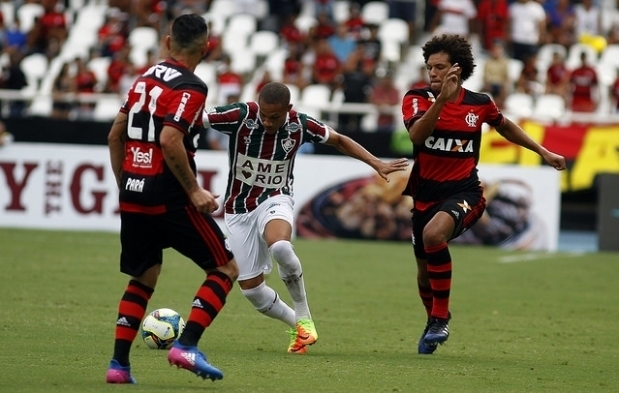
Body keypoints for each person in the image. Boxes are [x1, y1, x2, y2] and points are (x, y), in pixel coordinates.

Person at [205, 81, 409, 354]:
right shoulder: (241, 115)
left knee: (280, 246)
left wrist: (375, 162)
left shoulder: (299, 124)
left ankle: (303, 313)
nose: (266, 121)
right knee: (252, 291)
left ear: (288, 110)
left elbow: (338, 139)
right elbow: (198, 118)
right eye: (264, 115)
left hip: (275, 198)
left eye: (274, 117)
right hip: (238, 209)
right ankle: (300, 327)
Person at [400, 34, 566, 355]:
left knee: (435, 234)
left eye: (439, 67)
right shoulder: (417, 98)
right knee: (423, 273)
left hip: (466, 192)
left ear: (456, 70)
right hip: (424, 197)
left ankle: (439, 320)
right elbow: (418, 136)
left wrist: (543, 151)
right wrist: (441, 101)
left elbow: (503, 125)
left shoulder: (480, 103)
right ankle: (435, 319)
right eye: (429, 67)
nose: (432, 73)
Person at [105, 14, 239, 384]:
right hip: (168, 196)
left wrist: (126, 182)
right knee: (225, 268)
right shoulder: (190, 85)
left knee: (143, 278)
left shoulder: (142, 79)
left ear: (167, 41)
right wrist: (194, 190)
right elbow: (169, 138)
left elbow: (115, 136)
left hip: (133, 194)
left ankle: (118, 366)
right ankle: (187, 345)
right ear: (206, 47)